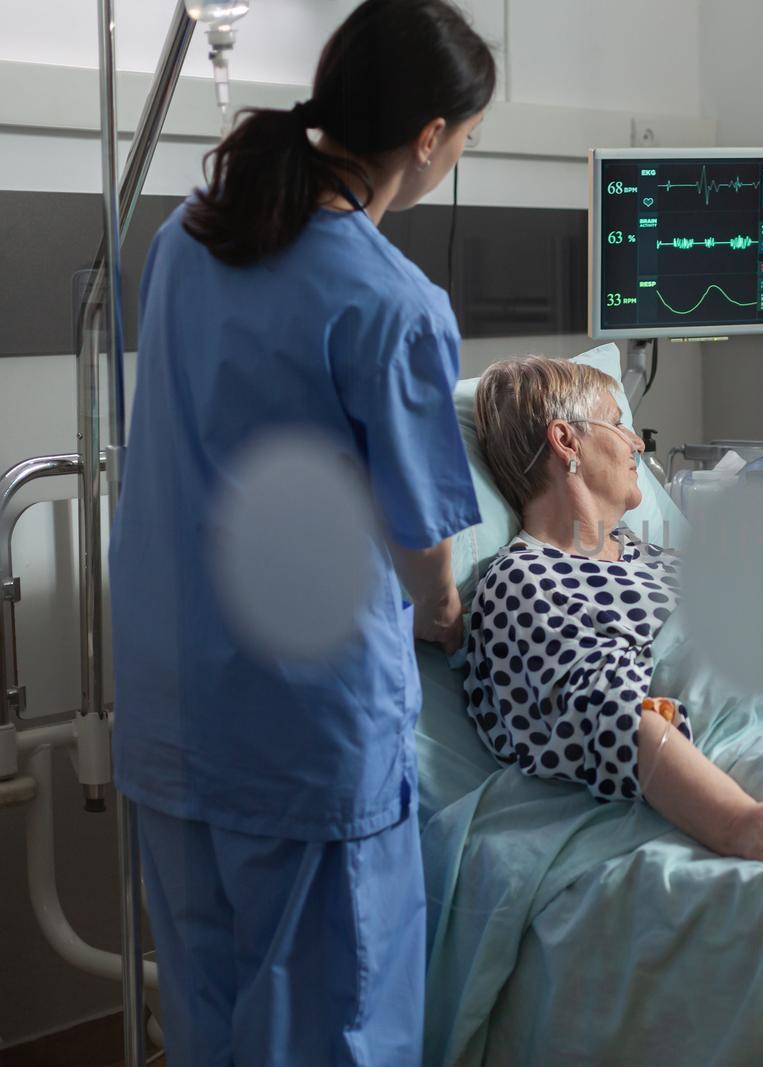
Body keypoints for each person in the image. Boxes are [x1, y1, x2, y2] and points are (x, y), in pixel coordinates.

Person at [108, 2, 494, 1062]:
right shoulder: (390, 300)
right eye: (463, 140)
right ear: (427, 137)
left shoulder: (187, 240)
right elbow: (422, 530)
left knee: (208, 1015)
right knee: (338, 1019)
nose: (455, 158)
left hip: (171, 702)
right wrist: (444, 609)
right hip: (301, 727)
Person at [464, 356, 763, 862]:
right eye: (619, 423)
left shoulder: (649, 556)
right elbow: (616, 721)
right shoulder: (527, 581)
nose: (637, 443)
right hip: (744, 758)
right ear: (566, 442)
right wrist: (736, 823)